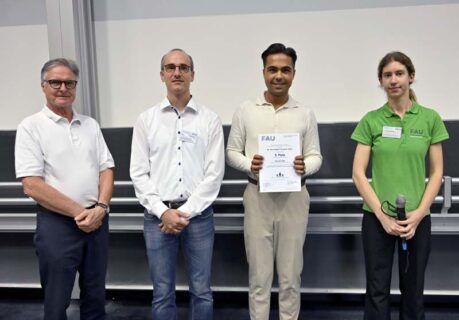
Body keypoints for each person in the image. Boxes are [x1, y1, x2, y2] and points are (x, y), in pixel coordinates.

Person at [226, 43, 322, 320]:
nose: (278, 75)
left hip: (294, 198)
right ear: (263, 72)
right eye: (273, 69)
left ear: (293, 73)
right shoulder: (246, 110)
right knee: (259, 276)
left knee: (291, 275)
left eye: (285, 70)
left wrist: (305, 166)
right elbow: (232, 152)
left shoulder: (304, 112)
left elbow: (316, 155)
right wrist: (249, 164)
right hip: (258, 197)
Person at [14, 58, 115, 320]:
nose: (62, 88)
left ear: (75, 86)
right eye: (55, 82)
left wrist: (101, 208)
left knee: (95, 295)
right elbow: (32, 185)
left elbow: (107, 169)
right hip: (57, 225)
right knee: (57, 300)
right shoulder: (31, 127)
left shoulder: (90, 125)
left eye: (69, 82)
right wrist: (82, 213)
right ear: (43, 86)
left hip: (97, 222)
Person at [351, 51, 449, 320]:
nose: (393, 80)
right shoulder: (371, 120)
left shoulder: (429, 118)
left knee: (414, 290)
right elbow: (358, 173)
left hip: (417, 220)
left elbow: (437, 171)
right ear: (380, 81)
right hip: (377, 219)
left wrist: (418, 215)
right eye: (387, 75)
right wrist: (382, 217)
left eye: (399, 73)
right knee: (377, 290)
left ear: (411, 77)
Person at [130, 48, 225, 320]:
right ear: (162, 75)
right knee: (162, 292)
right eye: (170, 67)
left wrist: (184, 213)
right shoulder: (146, 120)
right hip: (158, 218)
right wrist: (164, 212)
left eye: (183, 67)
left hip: (199, 218)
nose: (177, 72)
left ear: (193, 75)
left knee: (202, 291)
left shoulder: (209, 120)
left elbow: (214, 173)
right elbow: (138, 173)